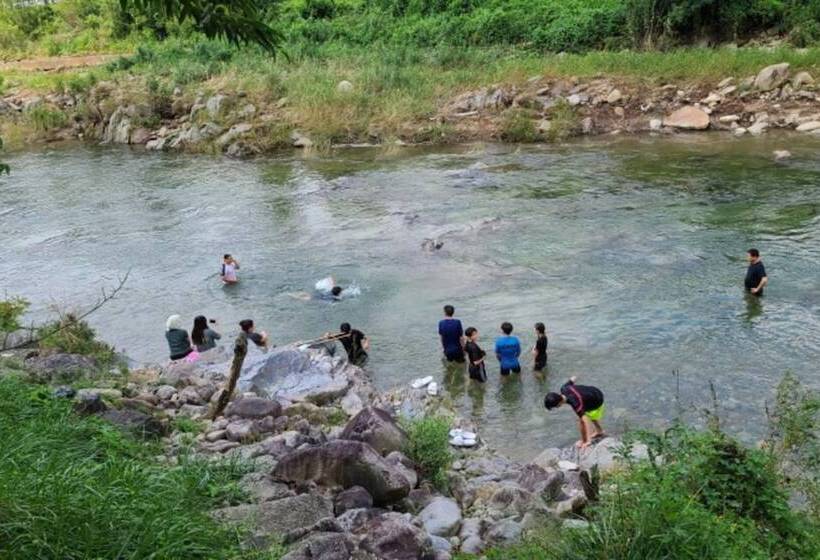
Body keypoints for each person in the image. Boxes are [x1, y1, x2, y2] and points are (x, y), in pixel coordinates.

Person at [544, 376, 605, 449]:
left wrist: (588, 441)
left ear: (558, 404)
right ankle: (599, 431)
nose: (556, 408)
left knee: (582, 419)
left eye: (555, 407)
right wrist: (577, 375)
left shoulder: (575, 403)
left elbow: (585, 421)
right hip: (594, 390)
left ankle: (585, 440)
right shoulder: (564, 388)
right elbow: (573, 378)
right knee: (585, 415)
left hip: (597, 399)